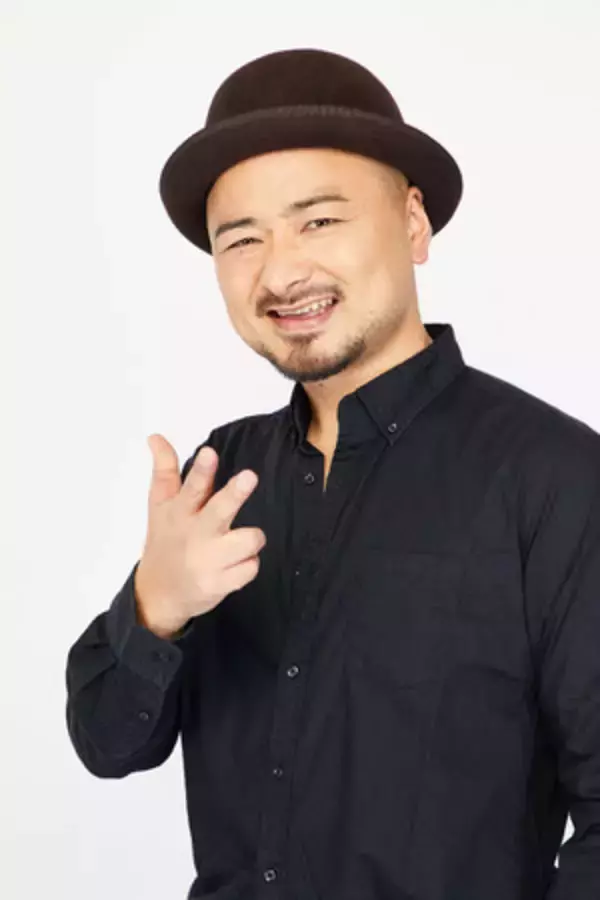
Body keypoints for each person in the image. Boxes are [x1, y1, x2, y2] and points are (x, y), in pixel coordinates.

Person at [65, 48, 600, 900]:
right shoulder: (221, 479)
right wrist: (155, 608)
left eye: (317, 221)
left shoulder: (556, 480)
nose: (280, 272)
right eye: (242, 239)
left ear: (414, 224)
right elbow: (107, 743)